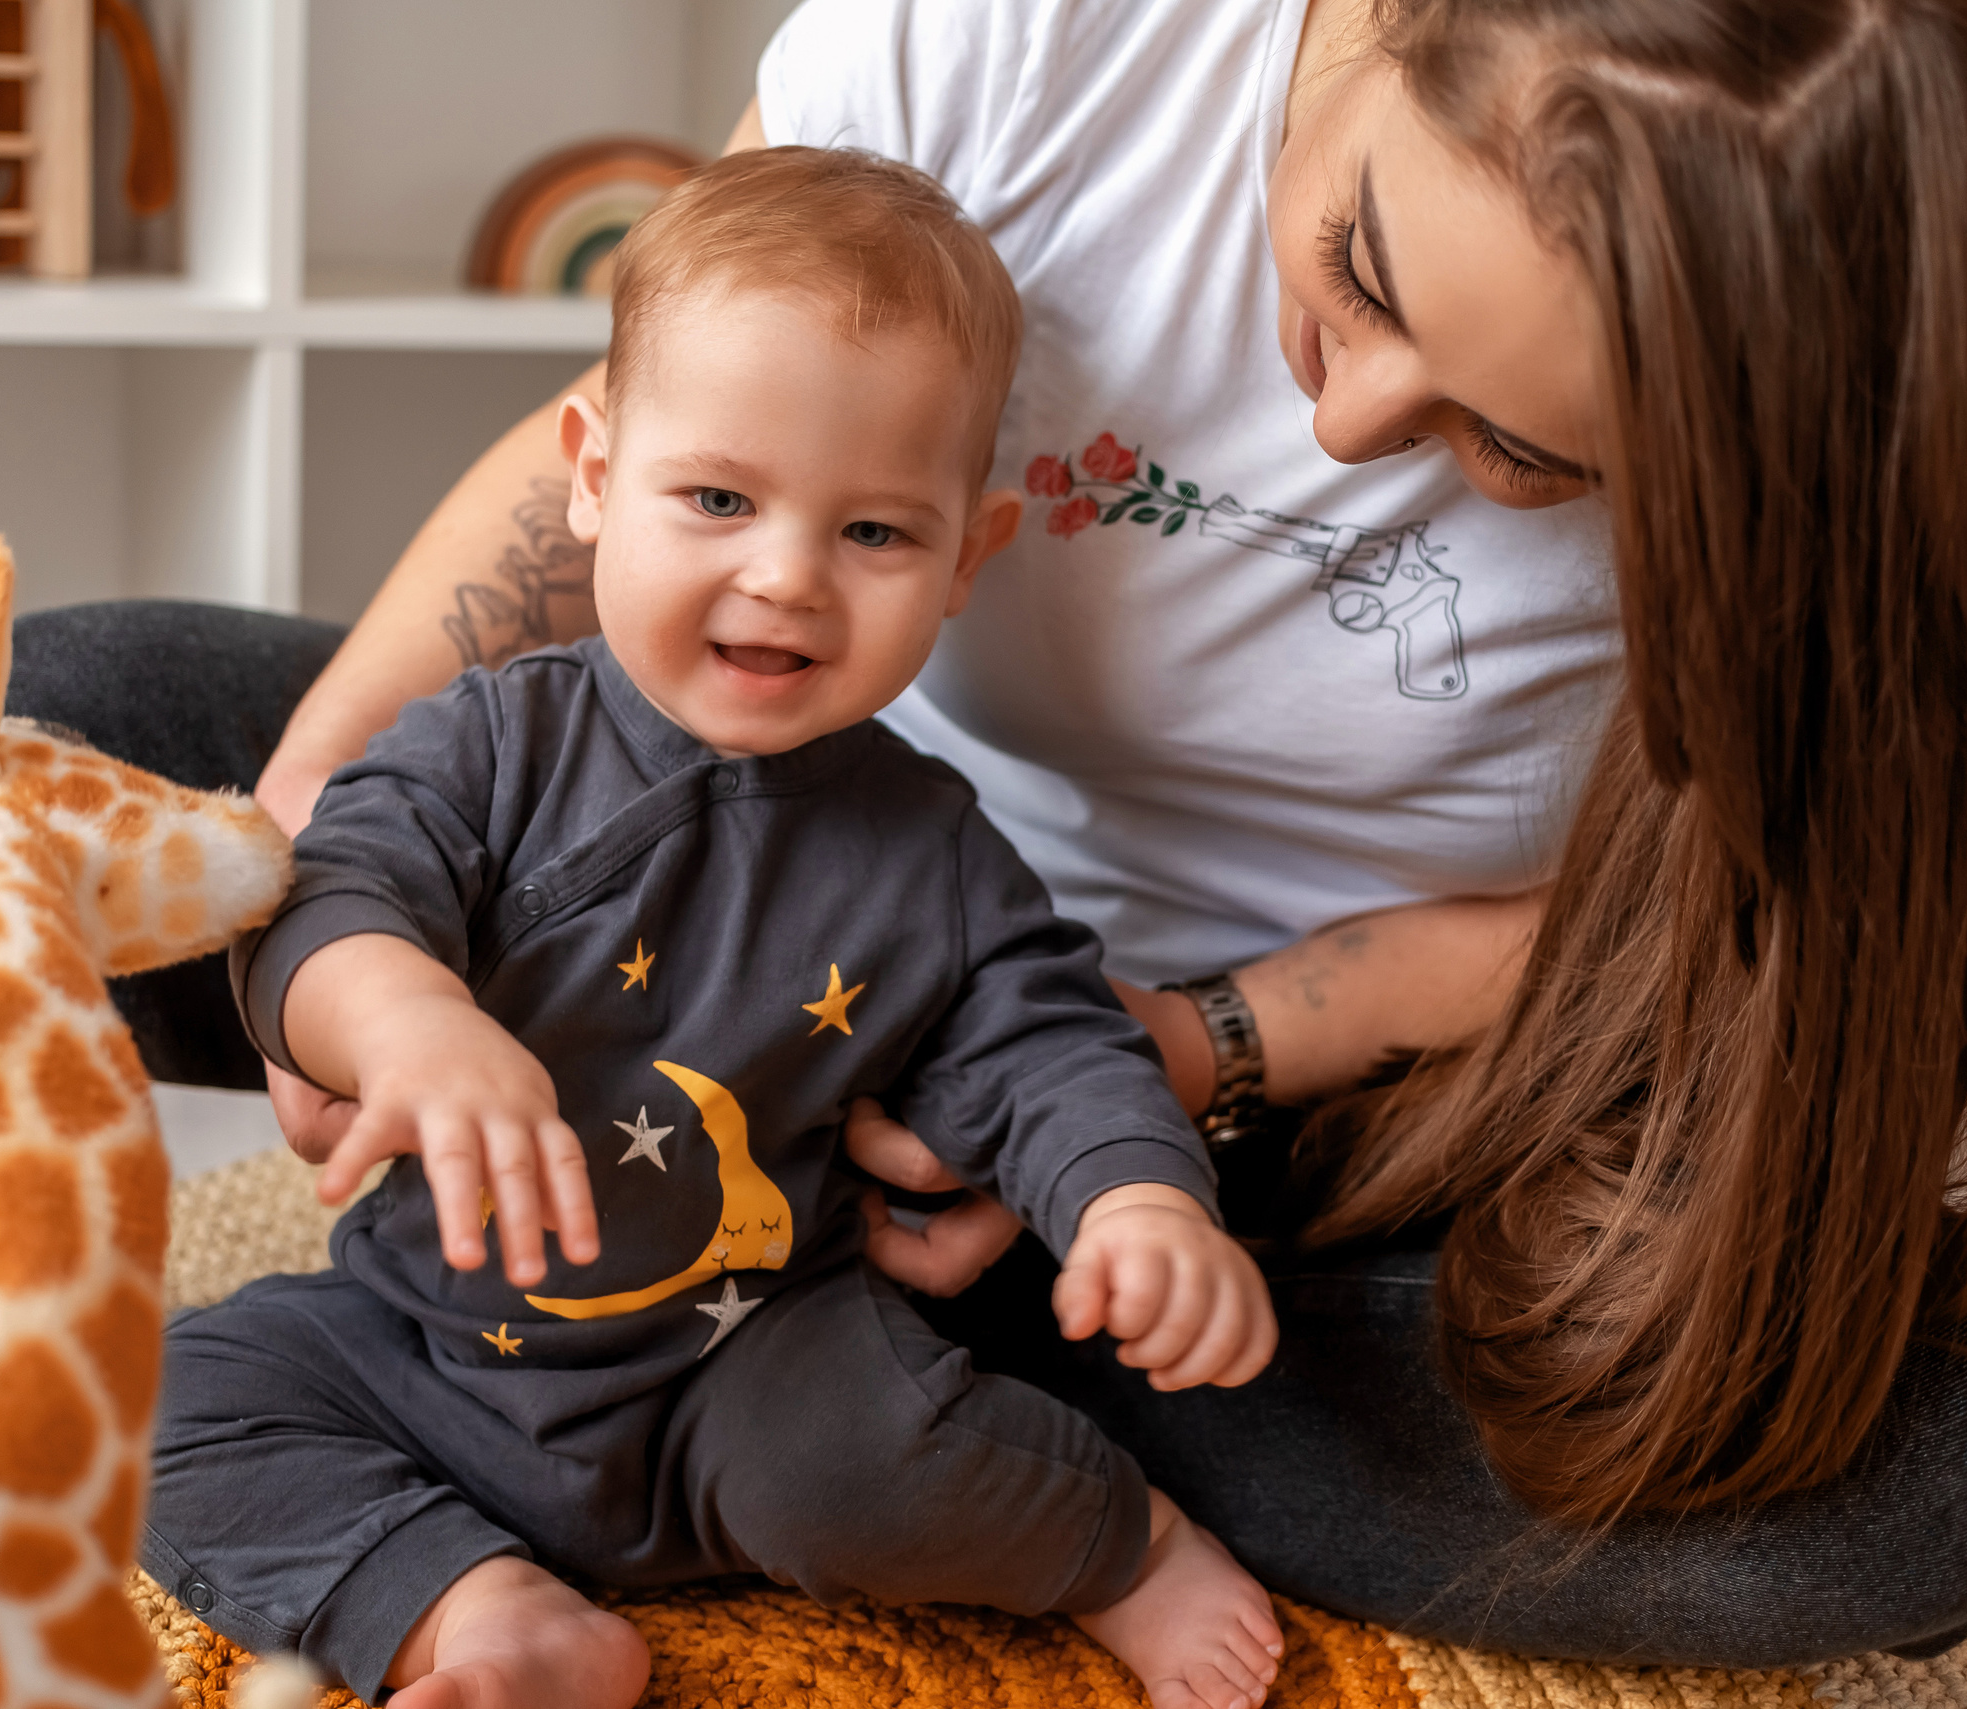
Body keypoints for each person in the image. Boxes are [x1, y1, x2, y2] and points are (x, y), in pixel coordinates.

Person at [0, 0, 1967, 1671]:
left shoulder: (1893, 429)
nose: (1347, 424)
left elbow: (1796, 959)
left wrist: (1220, 1077)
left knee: (1937, 1461)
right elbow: (635, 445)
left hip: (1192, 1108)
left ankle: (985, 1404)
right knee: (62, 721)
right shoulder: (1059, 34)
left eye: (1528, 455)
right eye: (1356, 270)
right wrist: (316, 884)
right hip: (608, 933)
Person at [144, 147, 1291, 1709]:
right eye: (719, 498)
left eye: (875, 534)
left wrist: (1141, 1206)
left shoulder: (932, 853)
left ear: (968, 557)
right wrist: (402, 1018)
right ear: (595, 475)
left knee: (879, 1461)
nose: (785, 575)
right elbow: (326, 897)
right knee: (160, 1400)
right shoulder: (485, 742)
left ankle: (1127, 1550)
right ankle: (485, 1616)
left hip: (748, 1372)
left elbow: (1052, 1047)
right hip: (422, 1341)